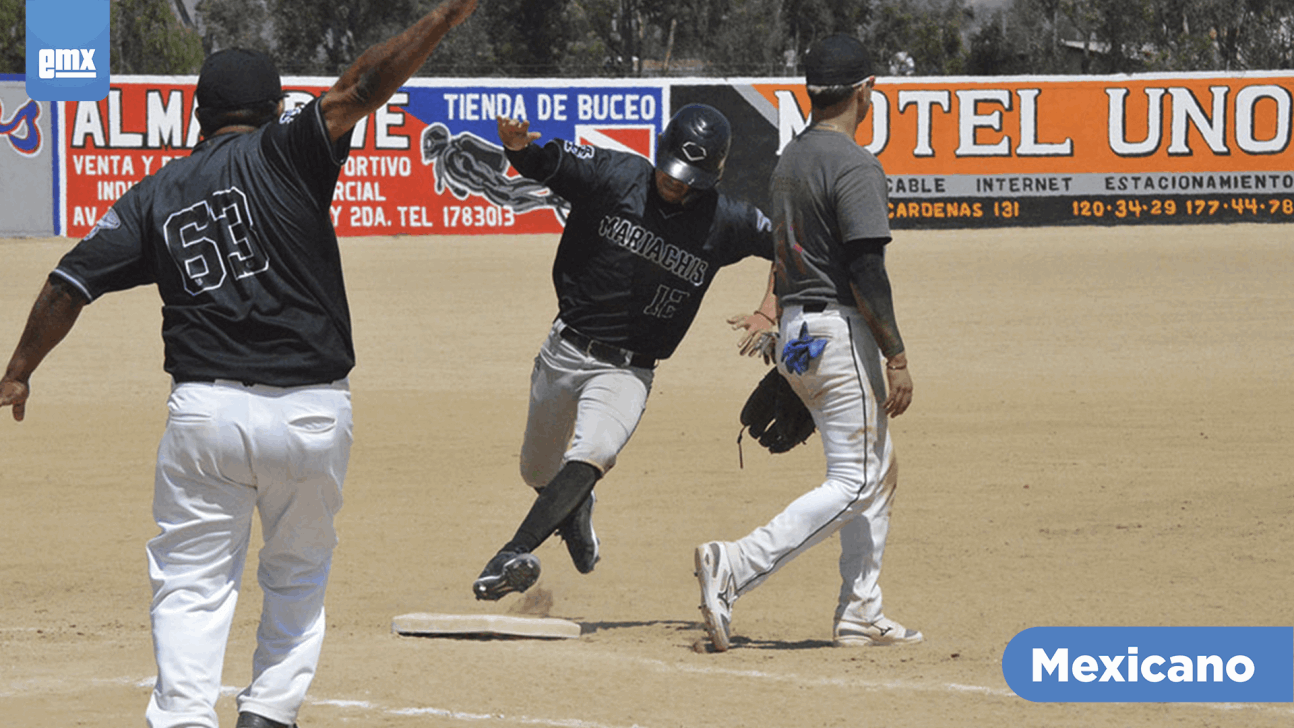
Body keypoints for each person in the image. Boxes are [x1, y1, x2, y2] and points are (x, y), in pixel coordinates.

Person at [0, 1, 477, 726]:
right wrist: (441, 18)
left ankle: (187, 717)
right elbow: (365, 83)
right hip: (314, 411)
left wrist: (20, 367)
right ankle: (269, 713)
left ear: (196, 115)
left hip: (206, 416)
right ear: (278, 105)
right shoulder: (290, 150)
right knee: (297, 576)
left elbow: (70, 282)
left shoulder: (153, 195)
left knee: (190, 581)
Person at [472, 104, 779, 600]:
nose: (675, 185)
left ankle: (512, 553)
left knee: (595, 451)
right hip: (565, 348)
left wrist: (770, 307)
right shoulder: (615, 174)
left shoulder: (725, 220)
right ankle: (576, 507)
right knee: (536, 470)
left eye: (689, 180)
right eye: (670, 172)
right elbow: (545, 163)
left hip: (630, 369)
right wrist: (517, 147)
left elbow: (795, 243)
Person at [693, 34, 922, 652]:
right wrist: (895, 356)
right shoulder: (853, 164)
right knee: (855, 478)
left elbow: (787, 253)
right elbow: (865, 269)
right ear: (864, 93)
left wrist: (774, 314)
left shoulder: (791, 158)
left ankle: (860, 611)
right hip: (837, 330)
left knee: (879, 467)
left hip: (797, 330)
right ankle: (734, 564)